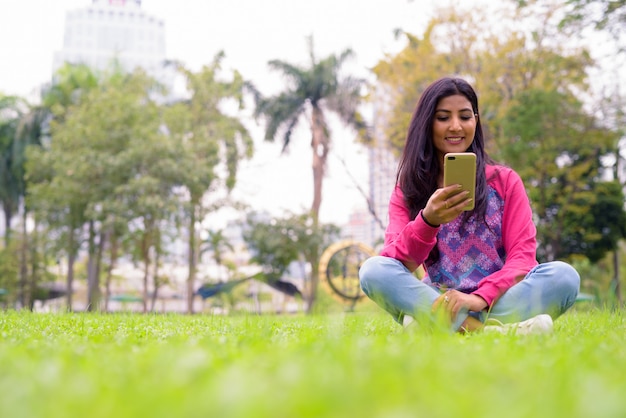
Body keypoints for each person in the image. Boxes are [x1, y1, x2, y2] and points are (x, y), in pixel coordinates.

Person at [359, 77, 580, 334]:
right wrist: (427, 221)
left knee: (564, 277)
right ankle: (491, 332)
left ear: (475, 120)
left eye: (465, 116)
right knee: (373, 270)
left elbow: (522, 259)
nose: (455, 126)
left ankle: (438, 328)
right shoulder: (407, 191)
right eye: (443, 118)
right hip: (440, 298)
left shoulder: (505, 182)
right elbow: (397, 263)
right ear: (427, 123)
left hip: (498, 297)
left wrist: (478, 298)